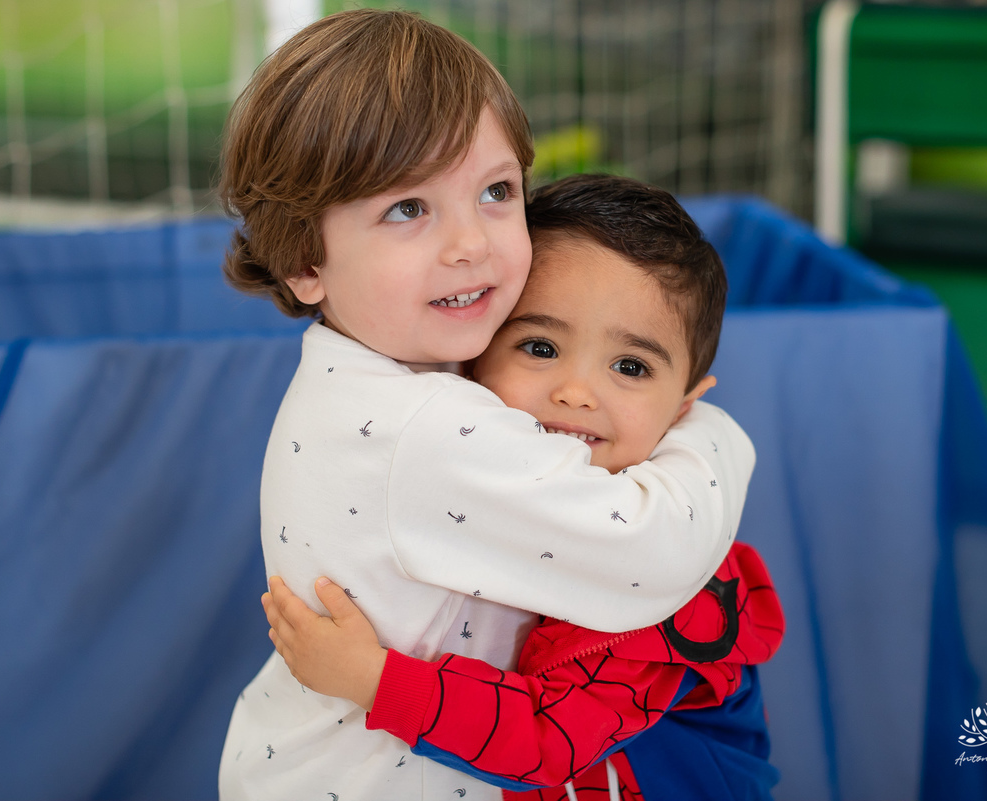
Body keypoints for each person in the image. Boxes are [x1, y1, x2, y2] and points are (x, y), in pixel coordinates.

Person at [217, 11, 755, 801]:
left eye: (496, 191)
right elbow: (654, 550)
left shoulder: (367, 371)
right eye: (408, 208)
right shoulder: (428, 427)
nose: (471, 242)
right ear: (305, 261)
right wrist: (709, 430)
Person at [262, 175, 785, 801]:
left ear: (685, 407)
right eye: (539, 347)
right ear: (470, 363)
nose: (576, 391)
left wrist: (374, 679)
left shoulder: (659, 596)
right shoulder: (498, 492)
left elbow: (544, 741)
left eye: (630, 367)